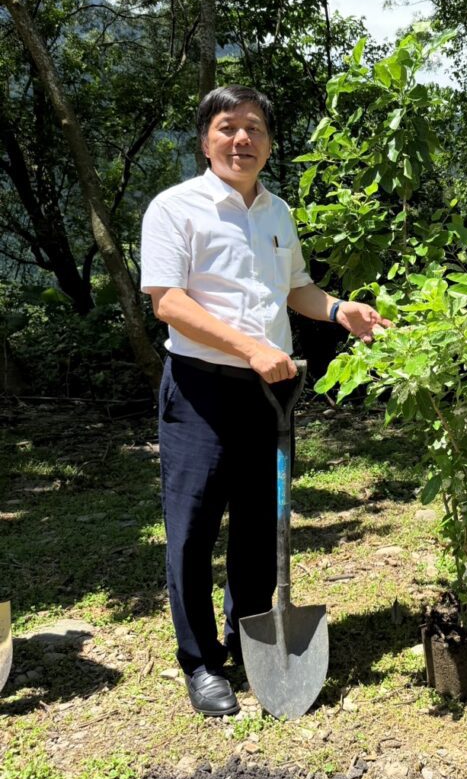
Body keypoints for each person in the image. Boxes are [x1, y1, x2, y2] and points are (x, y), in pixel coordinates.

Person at [141, 84, 390, 717]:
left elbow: (296, 288)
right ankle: (200, 663)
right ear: (206, 140)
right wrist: (250, 348)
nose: (241, 139)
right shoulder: (176, 209)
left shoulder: (277, 212)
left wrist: (339, 309)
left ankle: (247, 637)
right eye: (227, 128)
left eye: (253, 128)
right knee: (193, 531)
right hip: (200, 389)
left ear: (270, 143)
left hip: (268, 392)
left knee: (259, 524)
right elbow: (168, 301)